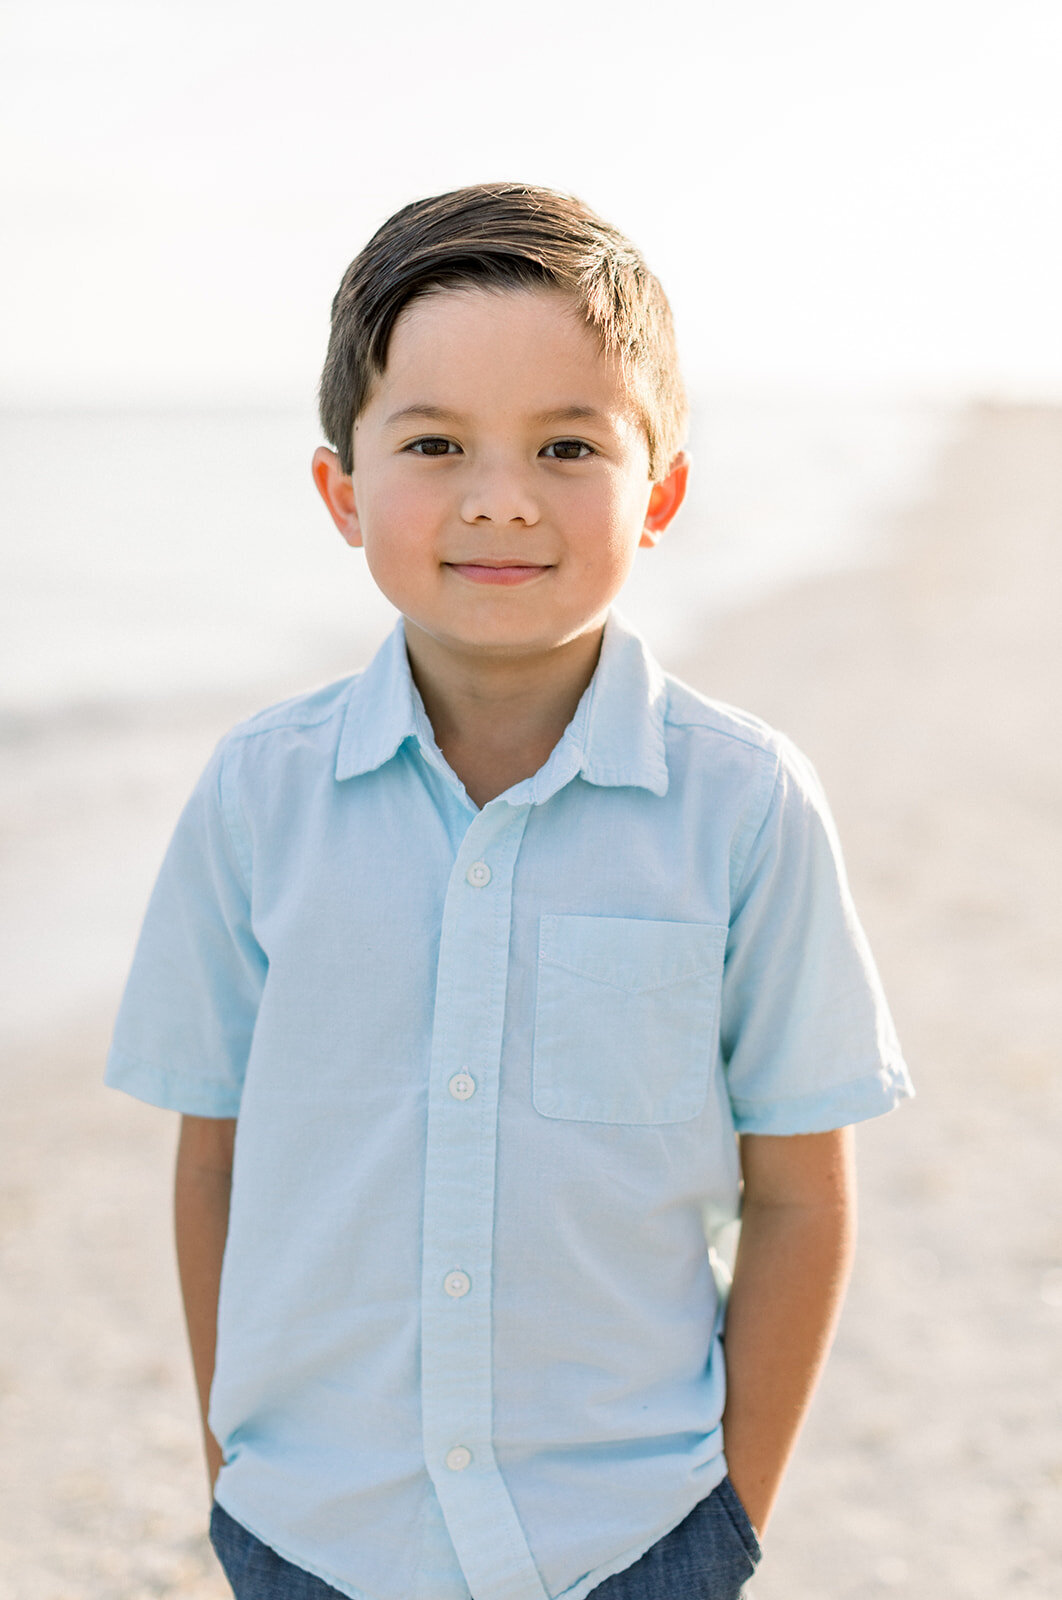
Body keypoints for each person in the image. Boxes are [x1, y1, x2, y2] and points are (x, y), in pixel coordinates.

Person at [106, 182, 913, 1600]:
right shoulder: (258, 795)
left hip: (635, 1535)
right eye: (434, 444)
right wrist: (234, 1467)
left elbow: (800, 1192)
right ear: (341, 492)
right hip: (313, 1532)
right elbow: (216, 1158)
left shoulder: (742, 806)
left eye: (564, 444)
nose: (499, 497)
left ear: (657, 488)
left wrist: (728, 1520)